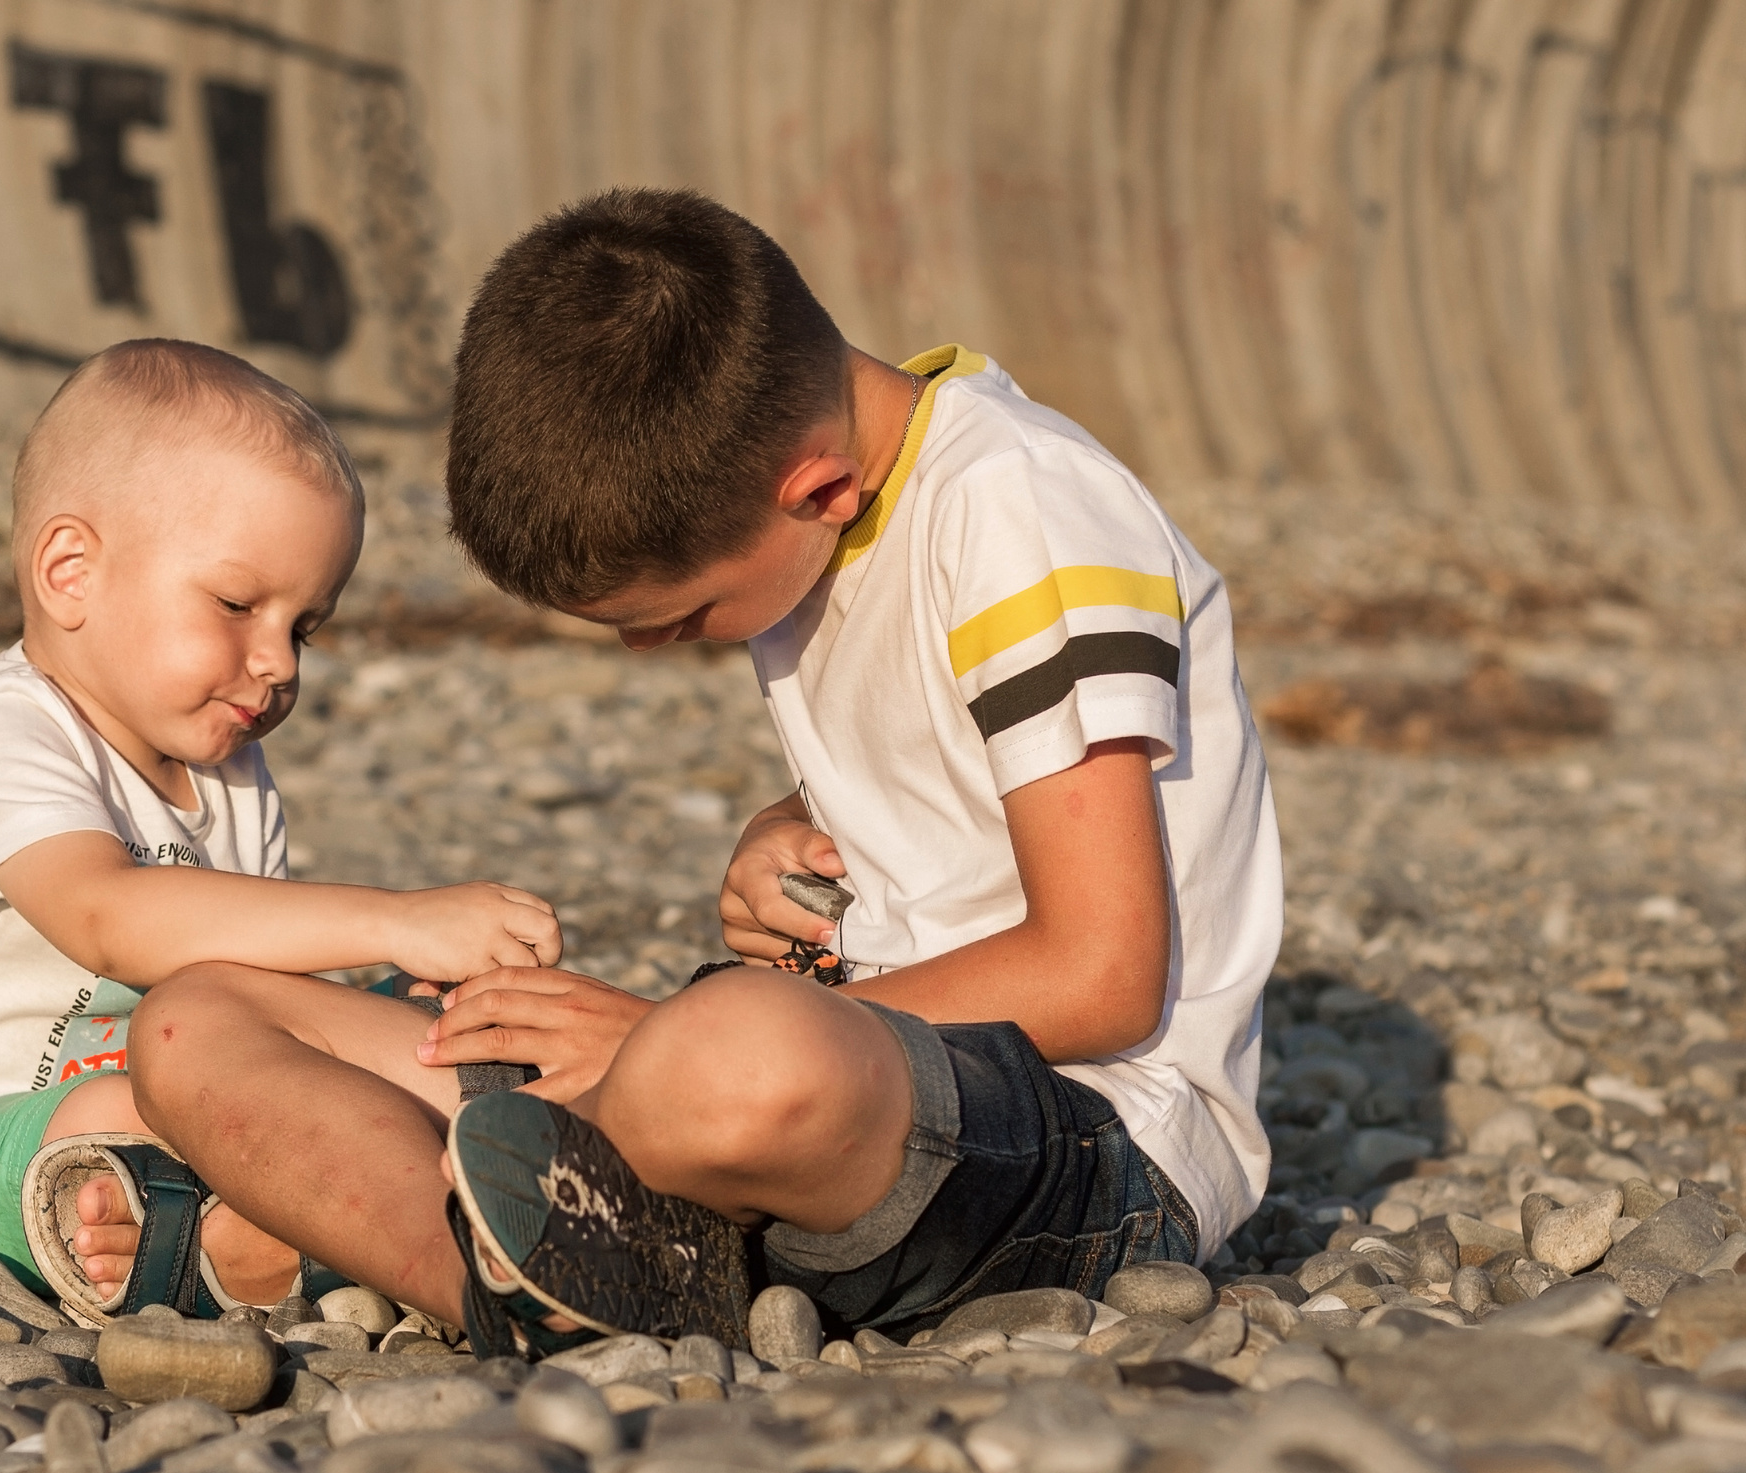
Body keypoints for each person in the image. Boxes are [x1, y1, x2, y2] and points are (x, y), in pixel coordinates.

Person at [123, 190, 1281, 1354]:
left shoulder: (1022, 511)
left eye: (680, 617)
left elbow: (1103, 970)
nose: (652, 650)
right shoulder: (827, 515)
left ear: (817, 489)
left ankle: (550, 1215)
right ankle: (533, 1289)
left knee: (737, 1054)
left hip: (1085, 1134)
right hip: (827, 1074)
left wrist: (652, 1038)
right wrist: (788, 834)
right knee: (196, 1019)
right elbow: (951, 772)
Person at [0, 339, 561, 1323]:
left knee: (402, 1016)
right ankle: (286, 1237)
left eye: (306, 627)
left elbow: (250, 992)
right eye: (238, 605)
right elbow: (109, 918)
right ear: (70, 573)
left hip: (158, 1098)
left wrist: (407, 1001)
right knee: (137, 1112)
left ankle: (521, 1149)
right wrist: (397, 919)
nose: (278, 661)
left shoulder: (229, 775)